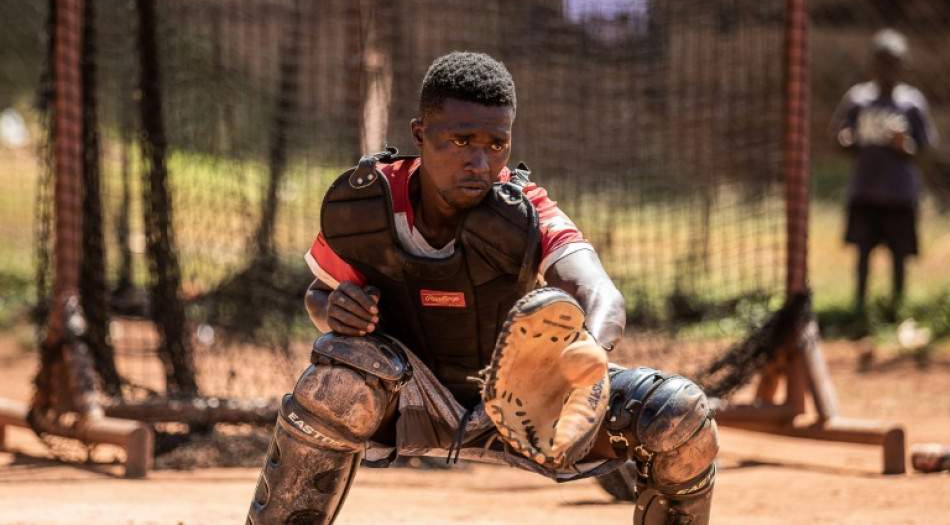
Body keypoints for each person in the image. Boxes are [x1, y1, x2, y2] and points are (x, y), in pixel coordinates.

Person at [246, 51, 718, 525]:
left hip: (530, 404)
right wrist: (335, 309)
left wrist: (590, 353)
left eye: (497, 144)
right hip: (407, 396)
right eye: (461, 141)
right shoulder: (368, 205)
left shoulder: (523, 211)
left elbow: (601, 294)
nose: (479, 162)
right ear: (419, 135)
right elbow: (318, 294)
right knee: (333, 383)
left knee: (680, 417)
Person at [830, 28, 938, 319]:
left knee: (899, 254)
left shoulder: (911, 102)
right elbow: (840, 134)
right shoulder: (858, 99)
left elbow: (925, 146)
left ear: (903, 65)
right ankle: (859, 309)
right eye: (883, 61)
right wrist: (844, 140)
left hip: (900, 193)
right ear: (873, 64)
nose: (888, 68)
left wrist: (906, 146)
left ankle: (896, 309)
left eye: (894, 62)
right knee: (863, 251)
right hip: (865, 188)